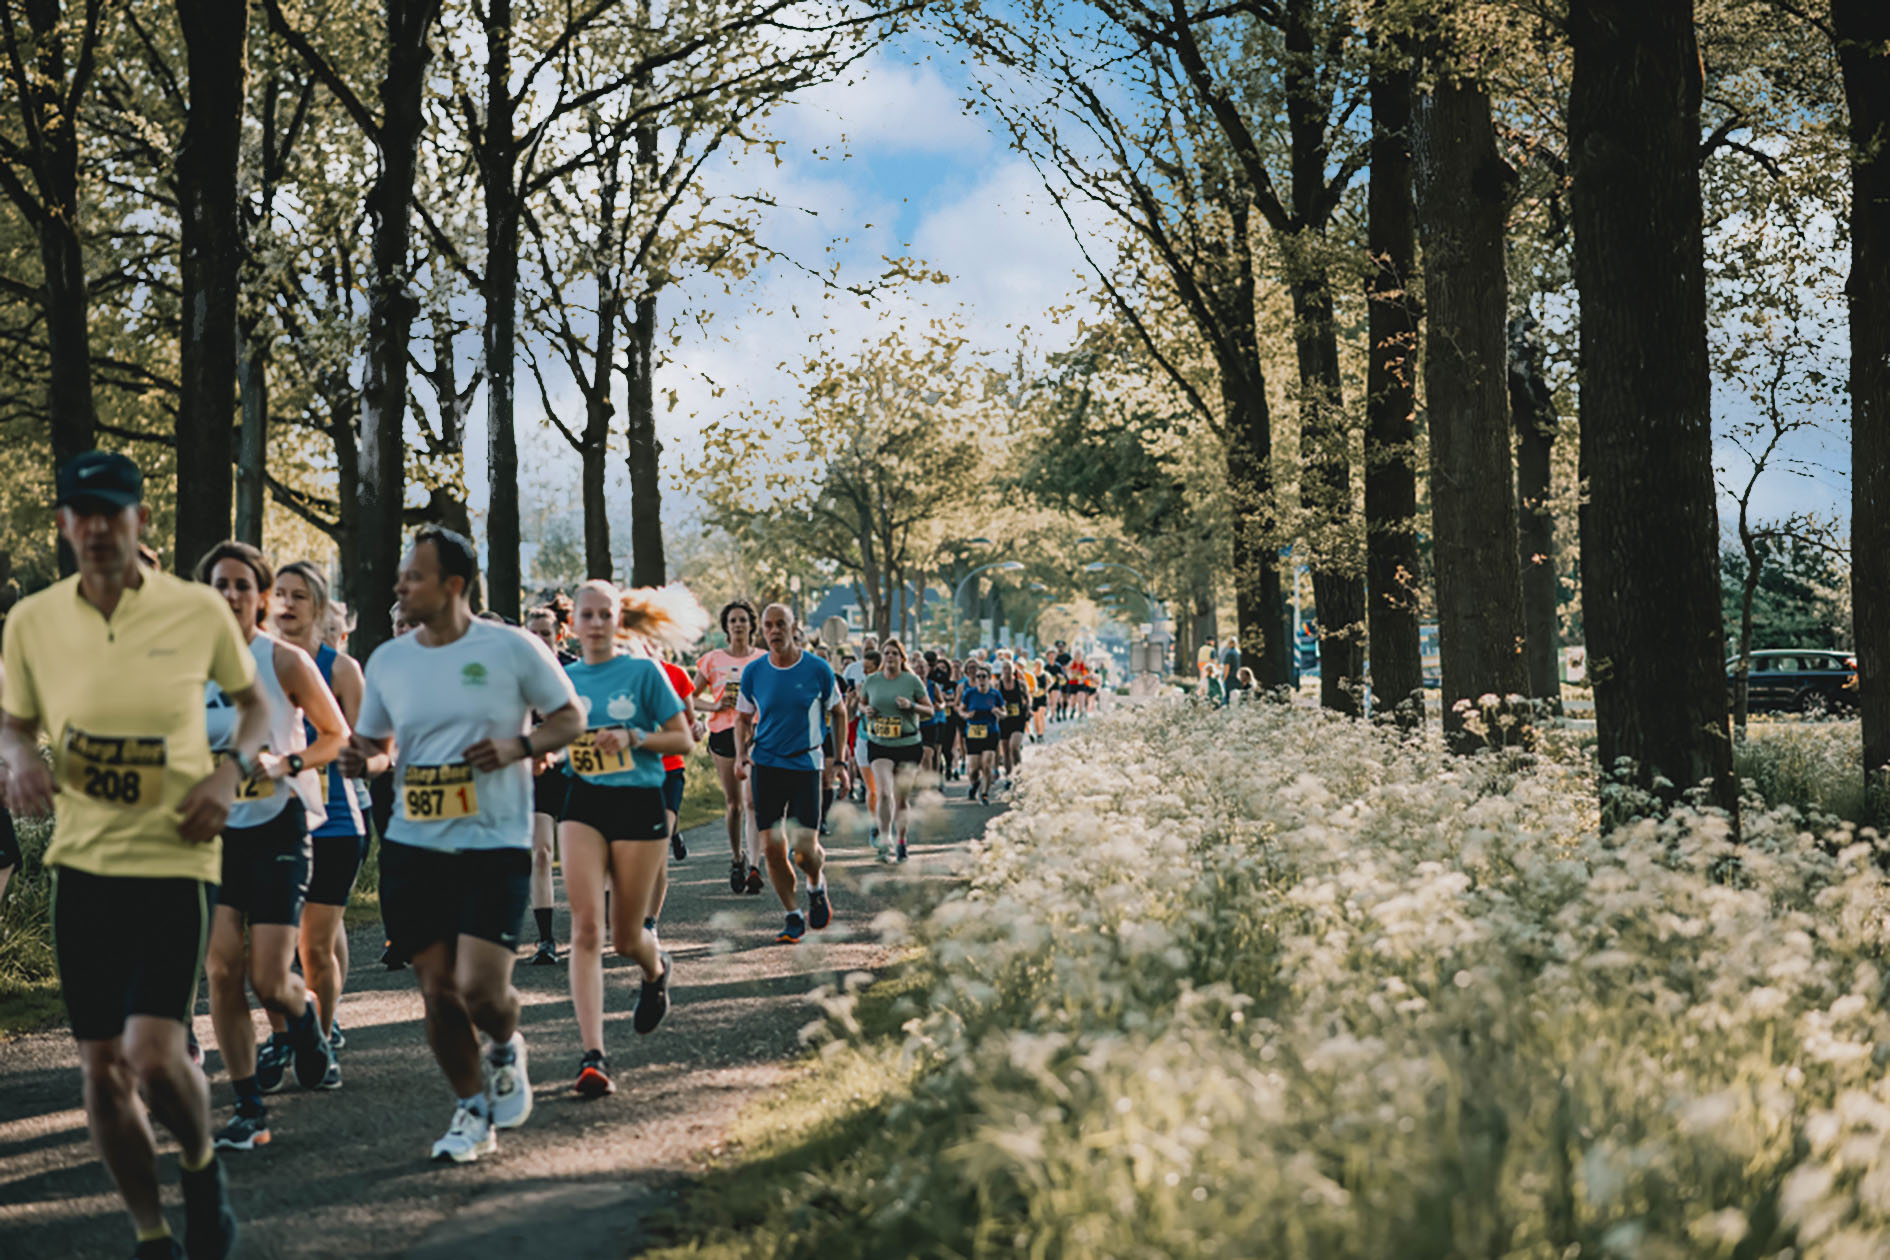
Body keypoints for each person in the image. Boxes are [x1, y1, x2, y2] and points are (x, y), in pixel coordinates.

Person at [0, 451, 248, 1260]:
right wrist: (20, 756)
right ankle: (152, 1235)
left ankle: (202, 1163)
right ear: (64, 524)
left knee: (150, 1051)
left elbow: (252, 709)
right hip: (83, 867)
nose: (98, 528)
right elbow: (11, 720)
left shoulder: (196, 612)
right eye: (83, 513)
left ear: (140, 520)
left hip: (174, 859)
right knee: (101, 1069)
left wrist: (227, 770)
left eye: (113, 512)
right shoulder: (31, 621)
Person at [344, 527, 584, 1163]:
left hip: (494, 841)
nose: (400, 586)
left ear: (454, 585)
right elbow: (377, 748)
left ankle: (505, 1045)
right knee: (437, 991)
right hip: (413, 845)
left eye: (414, 576)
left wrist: (519, 746)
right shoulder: (389, 660)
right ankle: (473, 1109)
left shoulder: (513, 648)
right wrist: (358, 760)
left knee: (481, 990)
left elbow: (570, 718)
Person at [195, 543, 346, 1154]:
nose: (230, 595)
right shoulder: (186, 664)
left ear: (261, 596)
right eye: (219, 584)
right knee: (222, 971)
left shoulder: (281, 661)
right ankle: (248, 1106)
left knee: (267, 977)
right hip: (214, 832)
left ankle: (306, 1021)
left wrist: (286, 761)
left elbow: (336, 737)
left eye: (241, 585)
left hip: (279, 824)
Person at [558, 582, 702, 1097]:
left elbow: (682, 736)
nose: (595, 624)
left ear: (618, 621)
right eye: (586, 615)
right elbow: (551, 735)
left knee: (624, 938)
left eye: (604, 615)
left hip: (639, 801)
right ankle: (593, 1055)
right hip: (584, 804)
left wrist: (635, 737)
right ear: (571, 621)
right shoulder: (562, 678)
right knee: (585, 929)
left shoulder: (642, 673)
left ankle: (655, 967)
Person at [259, 560, 368, 1080]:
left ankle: (319, 1043)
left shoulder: (340, 669)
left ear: (318, 607)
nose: (287, 602)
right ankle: (283, 1038)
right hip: (270, 819)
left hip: (337, 824)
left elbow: (360, 743)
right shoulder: (255, 660)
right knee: (269, 954)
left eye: (299, 595)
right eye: (279, 592)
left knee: (315, 947)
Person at [733, 604, 849, 944]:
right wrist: (741, 754)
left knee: (804, 850)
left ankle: (815, 885)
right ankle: (792, 914)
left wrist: (839, 761)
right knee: (771, 847)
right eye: (768, 626)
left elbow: (839, 712)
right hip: (766, 764)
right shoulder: (754, 672)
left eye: (780, 624)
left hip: (805, 765)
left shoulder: (817, 669)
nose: (774, 631)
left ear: (793, 627)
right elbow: (742, 717)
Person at [692, 599, 766, 896]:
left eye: (743, 620)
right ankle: (737, 858)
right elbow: (688, 697)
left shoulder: (763, 658)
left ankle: (755, 868)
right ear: (726, 626)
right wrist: (713, 704)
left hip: (755, 734)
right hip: (723, 733)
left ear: (751, 625)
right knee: (734, 805)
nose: (738, 625)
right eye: (733, 620)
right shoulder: (712, 659)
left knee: (752, 803)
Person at [523, 605, 569, 965]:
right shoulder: (518, 675)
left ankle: (598, 927)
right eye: (533, 634)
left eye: (546, 634)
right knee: (541, 852)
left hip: (573, 771)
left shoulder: (574, 670)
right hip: (537, 772)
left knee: (581, 857)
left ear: (559, 636)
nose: (539, 640)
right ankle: (545, 939)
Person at [860, 639, 932, 863]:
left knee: (901, 799)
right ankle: (884, 841)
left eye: (894, 653)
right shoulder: (872, 681)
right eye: (886, 653)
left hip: (907, 744)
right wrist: (866, 709)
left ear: (902, 658)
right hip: (879, 743)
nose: (890, 657)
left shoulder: (912, 681)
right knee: (882, 792)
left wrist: (911, 706)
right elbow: (860, 704)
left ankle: (901, 840)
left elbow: (929, 710)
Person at [957, 664, 1003, 804]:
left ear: (989, 679)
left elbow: (1004, 712)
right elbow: (961, 710)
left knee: (986, 764)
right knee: (973, 768)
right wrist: (966, 715)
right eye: (978, 676)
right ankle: (974, 785)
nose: (981, 679)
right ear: (975, 679)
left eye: (984, 676)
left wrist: (999, 712)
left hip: (990, 732)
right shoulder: (969, 693)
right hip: (973, 732)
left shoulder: (995, 694)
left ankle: (984, 794)